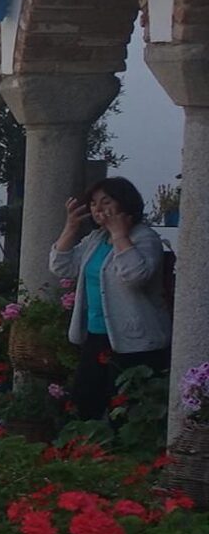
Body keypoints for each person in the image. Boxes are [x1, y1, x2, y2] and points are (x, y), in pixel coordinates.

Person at [51, 175, 172, 420]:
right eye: (94, 203)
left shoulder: (144, 238)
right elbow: (62, 267)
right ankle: (85, 454)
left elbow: (135, 276)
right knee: (84, 402)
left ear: (124, 203)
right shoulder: (96, 239)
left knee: (127, 409)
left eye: (106, 202)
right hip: (97, 335)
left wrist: (119, 234)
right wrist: (71, 228)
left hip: (136, 340)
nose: (99, 209)